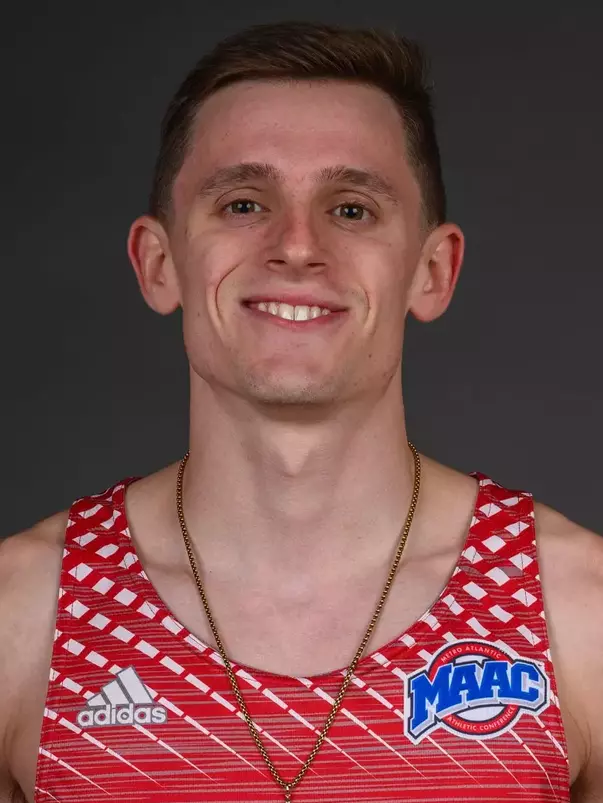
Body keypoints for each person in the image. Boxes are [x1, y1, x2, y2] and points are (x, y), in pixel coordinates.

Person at [1, 19, 601, 803]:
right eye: (243, 202)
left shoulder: (578, 610)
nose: (295, 245)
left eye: (351, 209)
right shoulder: (22, 614)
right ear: (159, 263)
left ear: (431, 271)